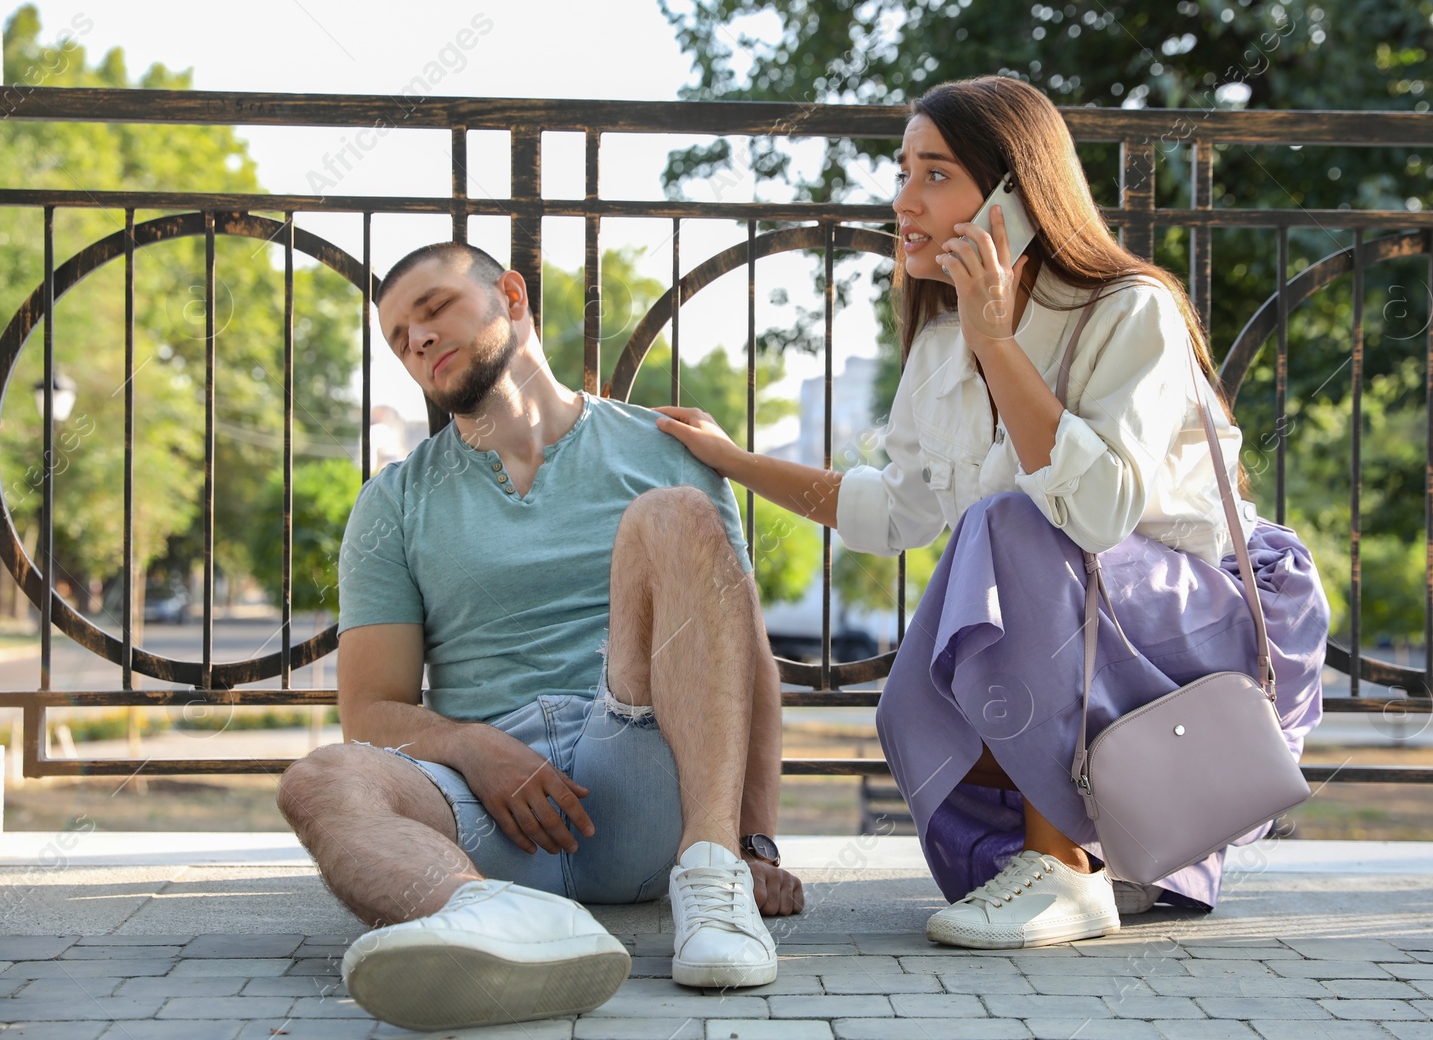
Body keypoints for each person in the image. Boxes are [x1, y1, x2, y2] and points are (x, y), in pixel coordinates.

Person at [656, 75, 1328, 950]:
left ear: (1016, 192)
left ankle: (1069, 866)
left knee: (1009, 525)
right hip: (1077, 634)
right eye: (903, 172)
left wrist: (998, 343)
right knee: (911, 703)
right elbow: (892, 512)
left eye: (934, 175)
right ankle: (1073, 851)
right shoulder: (939, 346)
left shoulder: (1131, 310)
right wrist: (734, 461)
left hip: (1188, 631)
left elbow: (1099, 512)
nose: (904, 200)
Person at [276, 241, 803, 1032]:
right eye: (397, 337)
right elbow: (373, 712)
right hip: (484, 816)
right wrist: (472, 747)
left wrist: (755, 842)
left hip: (639, 767)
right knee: (318, 780)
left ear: (511, 297)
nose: (416, 340)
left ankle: (713, 881)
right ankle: (494, 924)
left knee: (672, 515)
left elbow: (747, 663)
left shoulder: (668, 449)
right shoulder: (392, 502)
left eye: (434, 309)